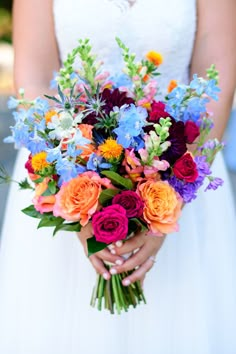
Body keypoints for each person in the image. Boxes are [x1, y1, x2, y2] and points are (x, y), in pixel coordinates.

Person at [0, 0, 236, 353]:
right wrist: (76, 201)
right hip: (64, 162)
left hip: (180, 164)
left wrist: (167, 207)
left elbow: (217, 71)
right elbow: (33, 80)